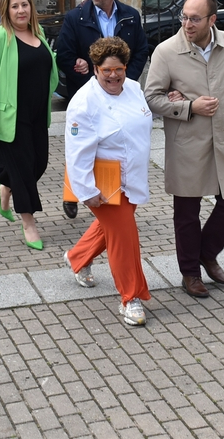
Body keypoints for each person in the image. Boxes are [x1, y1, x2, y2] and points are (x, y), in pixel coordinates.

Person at [144, 0, 224, 299]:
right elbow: (151, 97)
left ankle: (207, 254)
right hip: (187, 144)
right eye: (184, 17)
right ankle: (190, 273)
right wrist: (189, 107)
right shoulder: (166, 51)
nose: (187, 24)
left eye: (195, 19)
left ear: (212, 20)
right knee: (187, 212)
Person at [64, 37, 153, 326]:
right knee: (125, 238)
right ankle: (131, 298)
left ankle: (77, 257)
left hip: (132, 178)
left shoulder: (134, 89)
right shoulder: (84, 102)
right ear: (95, 69)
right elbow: (76, 152)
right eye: (106, 71)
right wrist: (86, 191)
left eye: (119, 69)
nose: (113, 76)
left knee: (112, 229)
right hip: (102, 181)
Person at [55, 0, 148, 219]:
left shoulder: (130, 16)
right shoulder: (76, 17)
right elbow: (64, 55)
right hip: (89, 90)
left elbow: (141, 50)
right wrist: (87, 73)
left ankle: (113, 194)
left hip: (118, 90)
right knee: (82, 146)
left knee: (109, 145)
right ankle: (74, 192)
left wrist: (124, 78)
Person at [0, 0, 58, 250]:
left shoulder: (39, 32)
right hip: (11, 117)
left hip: (38, 115)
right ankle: (29, 223)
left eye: (24, 5)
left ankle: (4, 188)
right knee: (23, 172)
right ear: (6, 10)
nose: (21, 10)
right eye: (14, 6)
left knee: (39, 165)